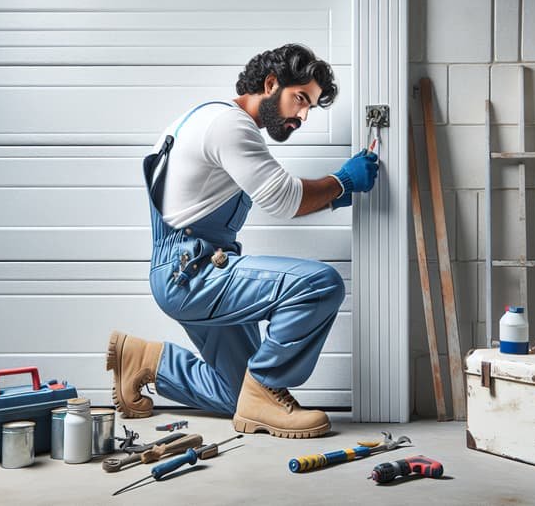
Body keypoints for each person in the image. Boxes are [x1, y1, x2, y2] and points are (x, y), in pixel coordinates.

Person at [107, 44, 379, 439]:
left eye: (310, 107)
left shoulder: (203, 117)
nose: (302, 116)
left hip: (186, 270)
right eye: (300, 99)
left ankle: (148, 360)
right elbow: (284, 199)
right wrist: (343, 182)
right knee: (319, 285)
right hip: (195, 274)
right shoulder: (230, 126)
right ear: (271, 84)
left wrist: (338, 191)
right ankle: (268, 388)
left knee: (237, 395)